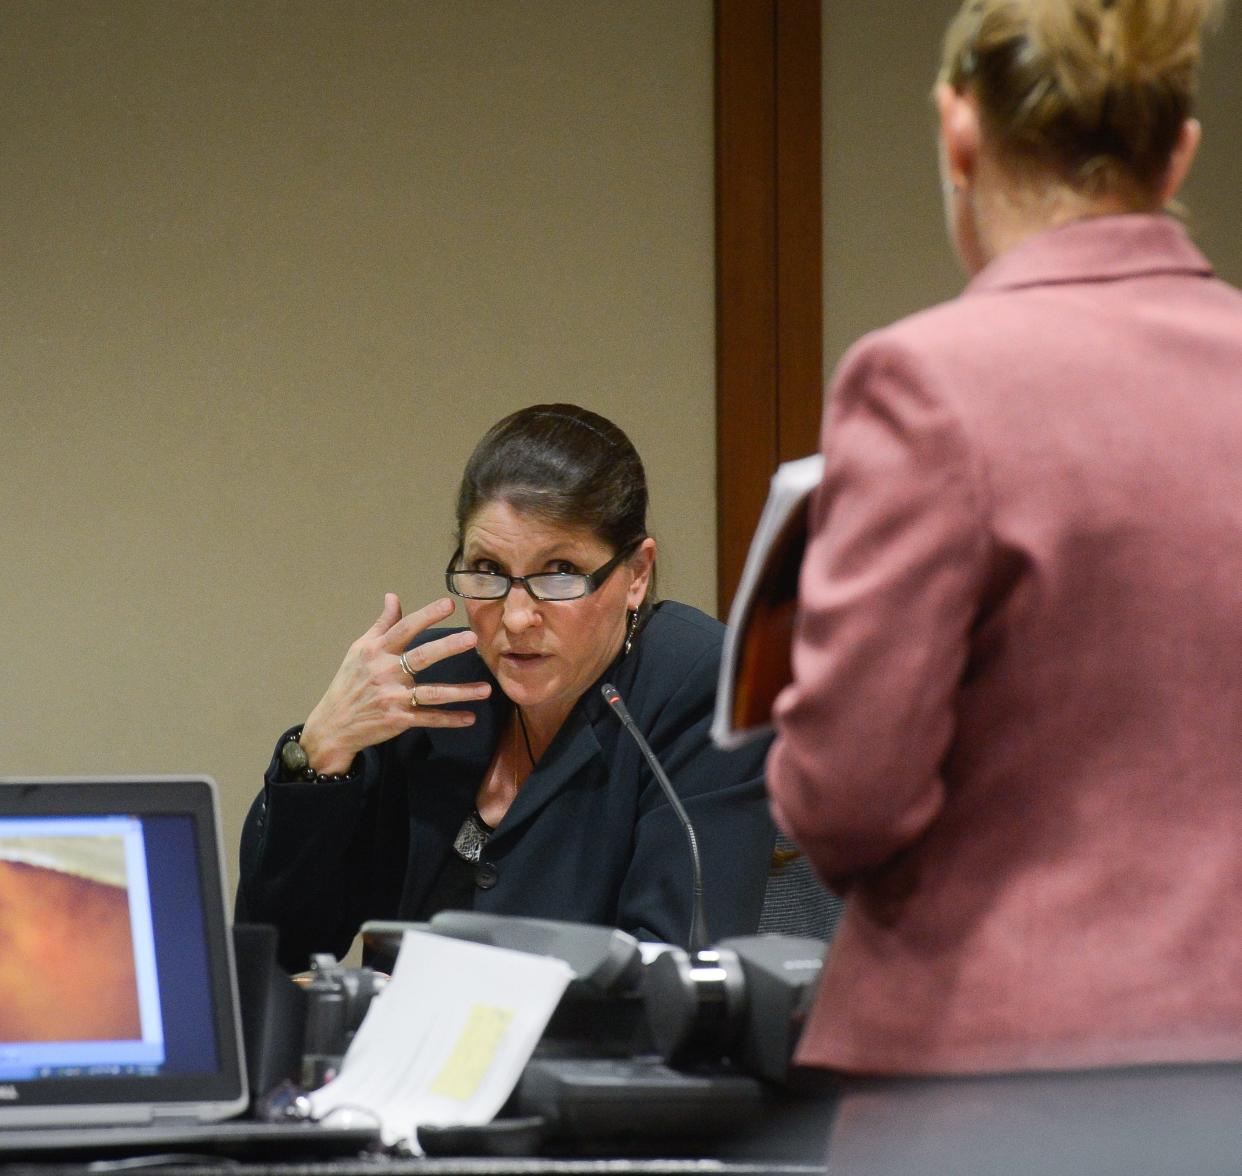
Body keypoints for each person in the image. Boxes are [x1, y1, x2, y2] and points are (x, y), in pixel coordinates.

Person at [766, 0, 1242, 1170]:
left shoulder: (928, 384)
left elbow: (847, 795)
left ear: (957, 130)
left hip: (992, 1091)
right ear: (1179, 150)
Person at [238, 403, 774, 973]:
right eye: (488, 570)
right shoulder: (427, 689)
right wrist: (320, 750)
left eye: (559, 570)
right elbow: (277, 946)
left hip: (579, 1059)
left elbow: (671, 975)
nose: (516, 617)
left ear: (636, 574)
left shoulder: (701, 684)